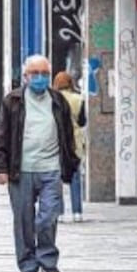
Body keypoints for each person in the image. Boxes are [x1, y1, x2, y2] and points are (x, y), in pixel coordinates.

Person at [0, 55, 79, 272]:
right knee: (23, 220)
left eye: (44, 73)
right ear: (26, 76)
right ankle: (28, 266)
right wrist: (0, 166)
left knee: (48, 216)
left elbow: (67, 134)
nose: (40, 78)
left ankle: (48, 259)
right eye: (35, 73)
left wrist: (70, 163)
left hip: (51, 168)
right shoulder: (13, 101)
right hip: (21, 170)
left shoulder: (58, 100)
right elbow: (2, 134)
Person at [53, 71, 87, 223]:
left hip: (56, 141)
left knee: (57, 178)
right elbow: (82, 121)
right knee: (75, 176)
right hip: (75, 141)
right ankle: (77, 212)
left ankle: (59, 212)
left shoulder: (52, 99)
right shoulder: (79, 99)